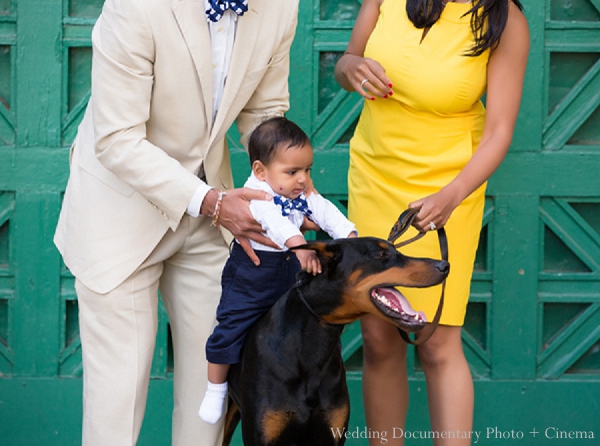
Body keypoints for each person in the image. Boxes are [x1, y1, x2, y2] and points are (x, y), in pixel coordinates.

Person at [53, 0, 300, 444]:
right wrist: (211, 202)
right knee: (117, 400)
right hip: (120, 212)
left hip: (211, 217)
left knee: (211, 395)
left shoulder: (282, 6)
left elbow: (265, 113)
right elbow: (116, 139)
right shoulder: (135, 6)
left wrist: (290, 182)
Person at [335, 0, 529, 444]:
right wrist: (353, 70)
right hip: (375, 170)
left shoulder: (505, 19)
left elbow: (500, 130)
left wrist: (453, 195)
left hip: (449, 183)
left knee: (436, 339)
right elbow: (345, 62)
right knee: (378, 335)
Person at [198, 116, 357, 424]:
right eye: (293, 171)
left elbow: (323, 209)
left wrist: (348, 236)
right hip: (253, 275)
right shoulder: (256, 193)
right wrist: (300, 246)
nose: (303, 179)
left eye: (307, 170)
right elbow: (276, 222)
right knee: (231, 327)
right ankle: (215, 389)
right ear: (260, 170)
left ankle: (321, 382)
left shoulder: (297, 190)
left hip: (288, 275)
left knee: (312, 323)